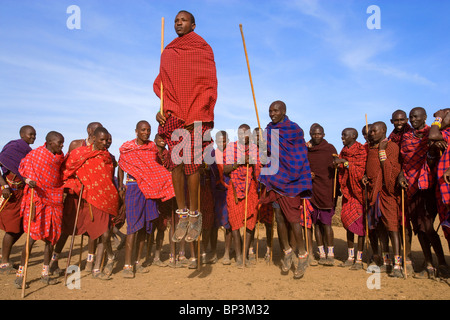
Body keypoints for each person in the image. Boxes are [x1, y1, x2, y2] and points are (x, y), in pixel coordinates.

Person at [154, 10, 217, 245]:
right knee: (176, 165)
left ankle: (195, 214)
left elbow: (208, 84)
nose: (178, 23)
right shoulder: (168, 52)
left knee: (192, 167)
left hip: (196, 115)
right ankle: (182, 214)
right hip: (175, 114)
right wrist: (161, 109)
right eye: (175, 21)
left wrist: (201, 112)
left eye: (183, 20)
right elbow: (163, 85)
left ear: (193, 24)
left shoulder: (203, 49)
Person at [259, 101, 313, 279]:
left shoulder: (294, 129)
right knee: (279, 218)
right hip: (275, 180)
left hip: (291, 181)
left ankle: (303, 255)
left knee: (294, 220)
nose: (271, 113)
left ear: (283, 111)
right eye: (269, 111)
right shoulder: (268, 129)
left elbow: (298, 155)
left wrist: (290, 172)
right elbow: (266, 153)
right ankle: (287, 251)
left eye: (275, 110)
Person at [118, 121, 175, 278]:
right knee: (133, 228)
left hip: (149, 190)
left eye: (148, 130)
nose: (146, 132)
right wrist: (121, 186)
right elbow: (121, 166)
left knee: (145, 227)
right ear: (136, 131)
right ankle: (127, 266)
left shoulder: (151, 148)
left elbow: (154, 168)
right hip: (134, 189)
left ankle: (137, 262)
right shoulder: (127, 149)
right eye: (143, 130)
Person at [62, 127, 119, 280]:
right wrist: (76, 184)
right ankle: (97, 266)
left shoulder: (108, 157)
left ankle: (98, 266)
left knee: (105, 234)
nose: (105, 143)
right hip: (86, 199)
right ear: (93, 138)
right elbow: (66, 171)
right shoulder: (79, 153)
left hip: (104, 198)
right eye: (101, 140)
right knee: (92, 232)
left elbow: (108, 178)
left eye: (107, 140)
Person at [50, 121, 105, 275]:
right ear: (89, 131)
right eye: (95, 131)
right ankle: (54, 261)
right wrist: (75, 182)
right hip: (75, 194)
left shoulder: (101, 149)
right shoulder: (76, 144)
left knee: (92, 228)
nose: (97, 135)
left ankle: (89, 261)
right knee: (67, 228)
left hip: (92, 195)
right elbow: (66, 167)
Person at [14, 131, 65, 288]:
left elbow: (61, 176)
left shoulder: (59, 158)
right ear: (49, 142)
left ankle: (45, 273)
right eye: (59, 143)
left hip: (54, 200)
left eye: (63, 142)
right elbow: (24, 168)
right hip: (37, 200)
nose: (62, 145)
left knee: (51, 239)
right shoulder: (35, 155)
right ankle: (20, 275)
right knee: (31, 237)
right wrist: (29, 180)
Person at [362, 121, 403, 277]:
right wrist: (366, 177)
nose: (371, 134)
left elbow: (391, 172)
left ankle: (398, 265)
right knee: (378, 227)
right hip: (373, 193)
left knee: (392, 228)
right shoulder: (370, 149)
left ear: (384, 131)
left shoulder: (391, 147)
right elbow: (371, 168)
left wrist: (381, 151)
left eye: (374, 131)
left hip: (387, 192)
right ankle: (386, 261)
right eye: (370, 131)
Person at [0, 125, 36, 274]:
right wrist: (3, 187)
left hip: (23, 194)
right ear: (22, 134)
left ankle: (4, 255)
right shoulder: (12, 149)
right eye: (30, 135)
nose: (33, 137)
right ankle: (4, 263)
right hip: (10, 194)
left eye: (34, 135)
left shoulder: (29, 153)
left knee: (21, 227)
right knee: (11, 228)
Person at [226, 124, 259, 268]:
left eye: (246, 133)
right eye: (241, 132)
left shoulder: (254, 149)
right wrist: (238, 162)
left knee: (250, 221)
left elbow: (260, 172)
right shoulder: (231, 147)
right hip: (234, 188)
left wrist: (254, 163)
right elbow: (225, 169)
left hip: (250, 188)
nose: (243, 135)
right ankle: (238, 256)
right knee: (235, 223)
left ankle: (245, 254)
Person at [335, 128, 367, 270]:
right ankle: (350, 257)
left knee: (360, 227)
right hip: (348, 194)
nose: (342, 137)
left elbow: (361, 171)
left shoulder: (361, 151)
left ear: (353, 136)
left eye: (344, 135)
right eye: (341, 135)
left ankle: (359, 259)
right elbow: (341, 170)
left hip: (359, 194)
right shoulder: (343, 151)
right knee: (348, 224)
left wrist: (346, 163)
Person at [306, 123, 337, 266]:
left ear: (323, 134)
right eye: (313, 134)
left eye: (319, 134)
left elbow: (337, 167)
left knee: (326, 224)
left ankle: (330, 253)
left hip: (326, 190)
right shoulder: (307, 150)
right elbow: (303, 166)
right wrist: (308, 174)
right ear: (310, 134)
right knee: (316, 224)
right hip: (312, 191)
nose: (316, 136)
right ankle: (321, 253)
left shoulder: (329, 149)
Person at [209, 130, 233, 265]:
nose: (221, 143)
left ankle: (227, 253)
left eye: (224, 140)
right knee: (214, 224)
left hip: (228, 191)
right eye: (219, 140)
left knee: (227, 224)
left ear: (227, 141)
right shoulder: (212, 154)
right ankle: (213, 252)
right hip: (215, 192)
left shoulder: (232, 154)